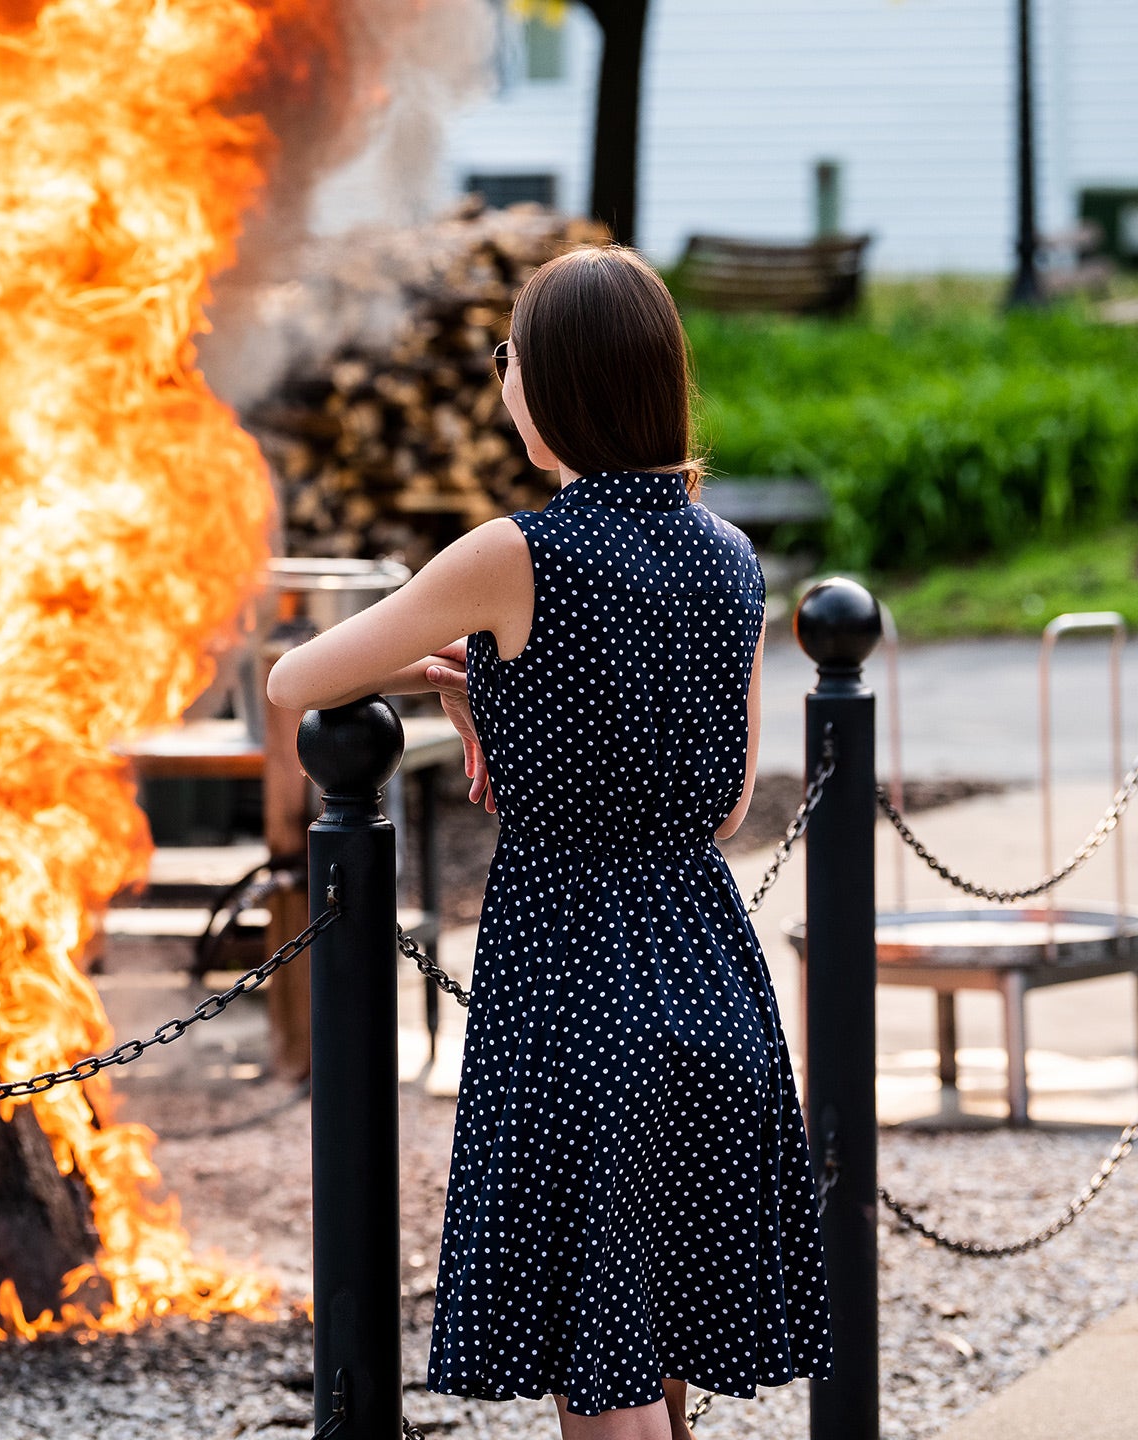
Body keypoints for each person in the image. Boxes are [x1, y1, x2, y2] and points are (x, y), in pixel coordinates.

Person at [265, 244, 832, 1439]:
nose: (500, 377)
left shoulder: (514, 554)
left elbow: (296, 679)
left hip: (572, 975)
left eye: (508, 356)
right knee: (661, 1352)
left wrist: (453, 682)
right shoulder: (726, 558)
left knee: (602, 1376)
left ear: (556, 384)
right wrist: (494, 702)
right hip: (706, 971)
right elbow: (722, 806)